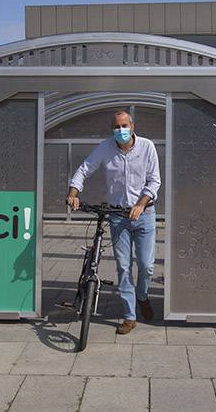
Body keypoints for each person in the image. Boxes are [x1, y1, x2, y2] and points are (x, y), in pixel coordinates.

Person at [66, 110, 161, 335]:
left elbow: (154, 180)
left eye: (124, 125)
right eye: (117, 127)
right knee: (124, 266)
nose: (121, 130)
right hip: (118, 217)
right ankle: (130, 315)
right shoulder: (105, 148)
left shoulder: (147, 147)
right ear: (112, 129)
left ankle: (142, 296)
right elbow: (85, 168)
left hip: (144, 214)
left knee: (146, 265)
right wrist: (73, 192)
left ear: (132, 125)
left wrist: (140, 204)